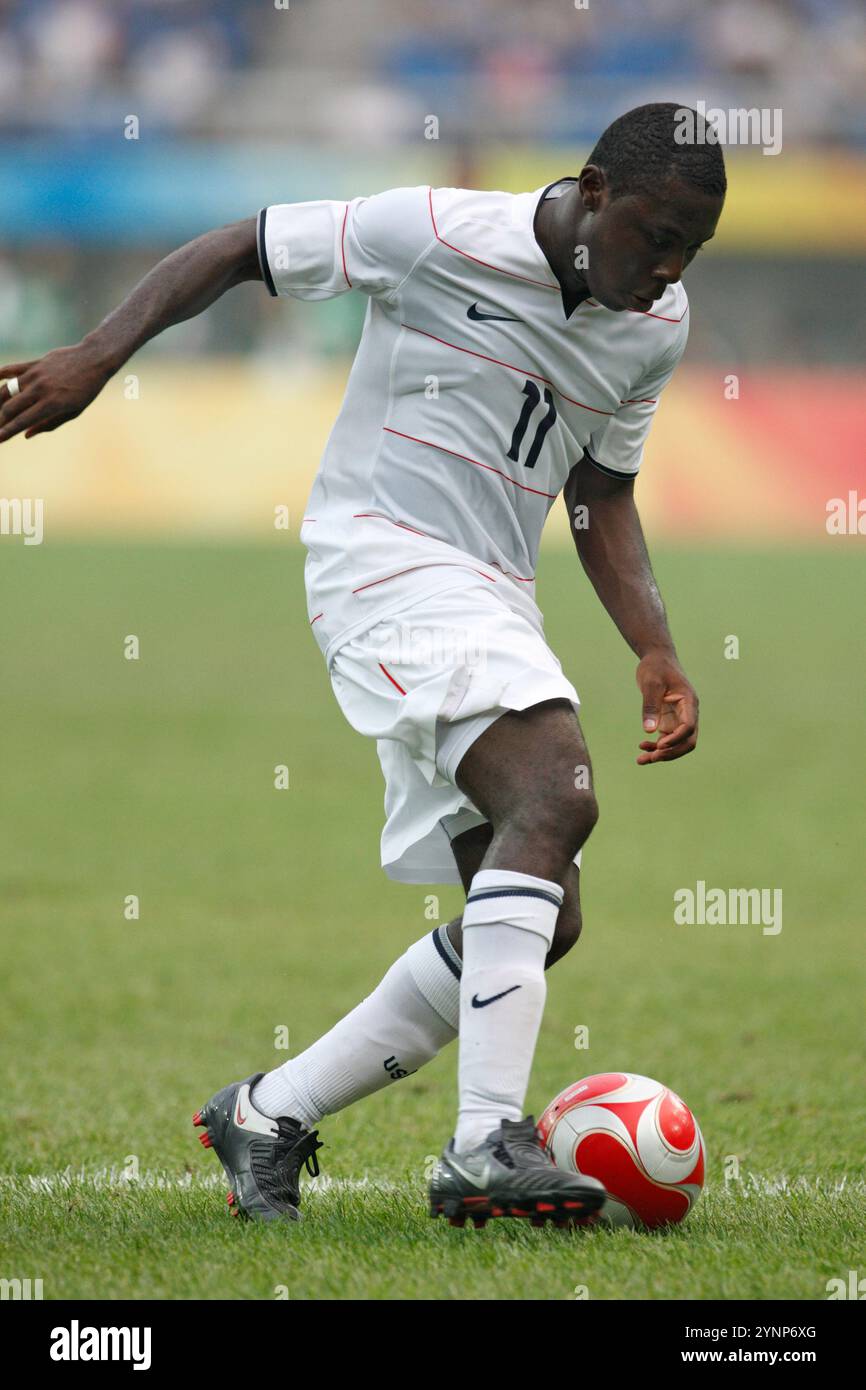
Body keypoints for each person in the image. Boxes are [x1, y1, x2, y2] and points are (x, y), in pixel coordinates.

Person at [0, 102, 725, 1228]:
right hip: (380, 561)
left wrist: (654, 646)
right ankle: (486, 1140)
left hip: (489, 594)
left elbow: (600, 492)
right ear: (591, 190)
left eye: (690, 249)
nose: (666, 266)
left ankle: (266, 1111)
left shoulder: (652, 325)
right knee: (555, 790)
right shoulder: (434, 231)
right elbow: (243, 244)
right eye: (653, 232)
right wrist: (99, 356)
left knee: (538, 908)